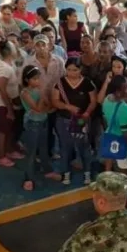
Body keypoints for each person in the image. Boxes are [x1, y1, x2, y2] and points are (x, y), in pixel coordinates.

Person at [52, 56, 97, 185]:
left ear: (80, 69)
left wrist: (87, 113)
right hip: (64, 119)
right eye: (69, 70)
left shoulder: (87, 83)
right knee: (65, 147)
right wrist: (68, 107)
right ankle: (66, 173)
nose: (72, 73)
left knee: (84, 147)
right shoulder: (60, 83)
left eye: (75, 70)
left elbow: (93, 101)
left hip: (82, 120)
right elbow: (55, 101)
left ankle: (87, 173)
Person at [20, 66, 61, 191]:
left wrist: (45, 102)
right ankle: (28, 178)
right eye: (34, 79)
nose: (38, 81)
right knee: (31, 152)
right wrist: (42, 96)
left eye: (39, 78)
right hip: (32, 123)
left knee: (44, 148)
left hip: (43, 121)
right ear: (27, 80)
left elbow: (47, 107)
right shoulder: (25, 93)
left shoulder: (38, 90)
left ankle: (47, 169)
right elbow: (37, 108)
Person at [101, 75, 127, 173]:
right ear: (118, 92)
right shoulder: (123, 109)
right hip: (126, 148)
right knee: (123, 176)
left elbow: (106, 119)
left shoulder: (107, 99)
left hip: (112, 140)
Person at [0, 40, 23, 167]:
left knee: (10, 129)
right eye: (14, 46)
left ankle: (9, 150)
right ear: (9, 51)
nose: (16, 47)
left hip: (11, 103)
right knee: (3, 130)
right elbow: (2, 89)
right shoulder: (3, 68)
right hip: (3, 104)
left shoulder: (9, 63)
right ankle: (1, 157)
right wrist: (9, 109)